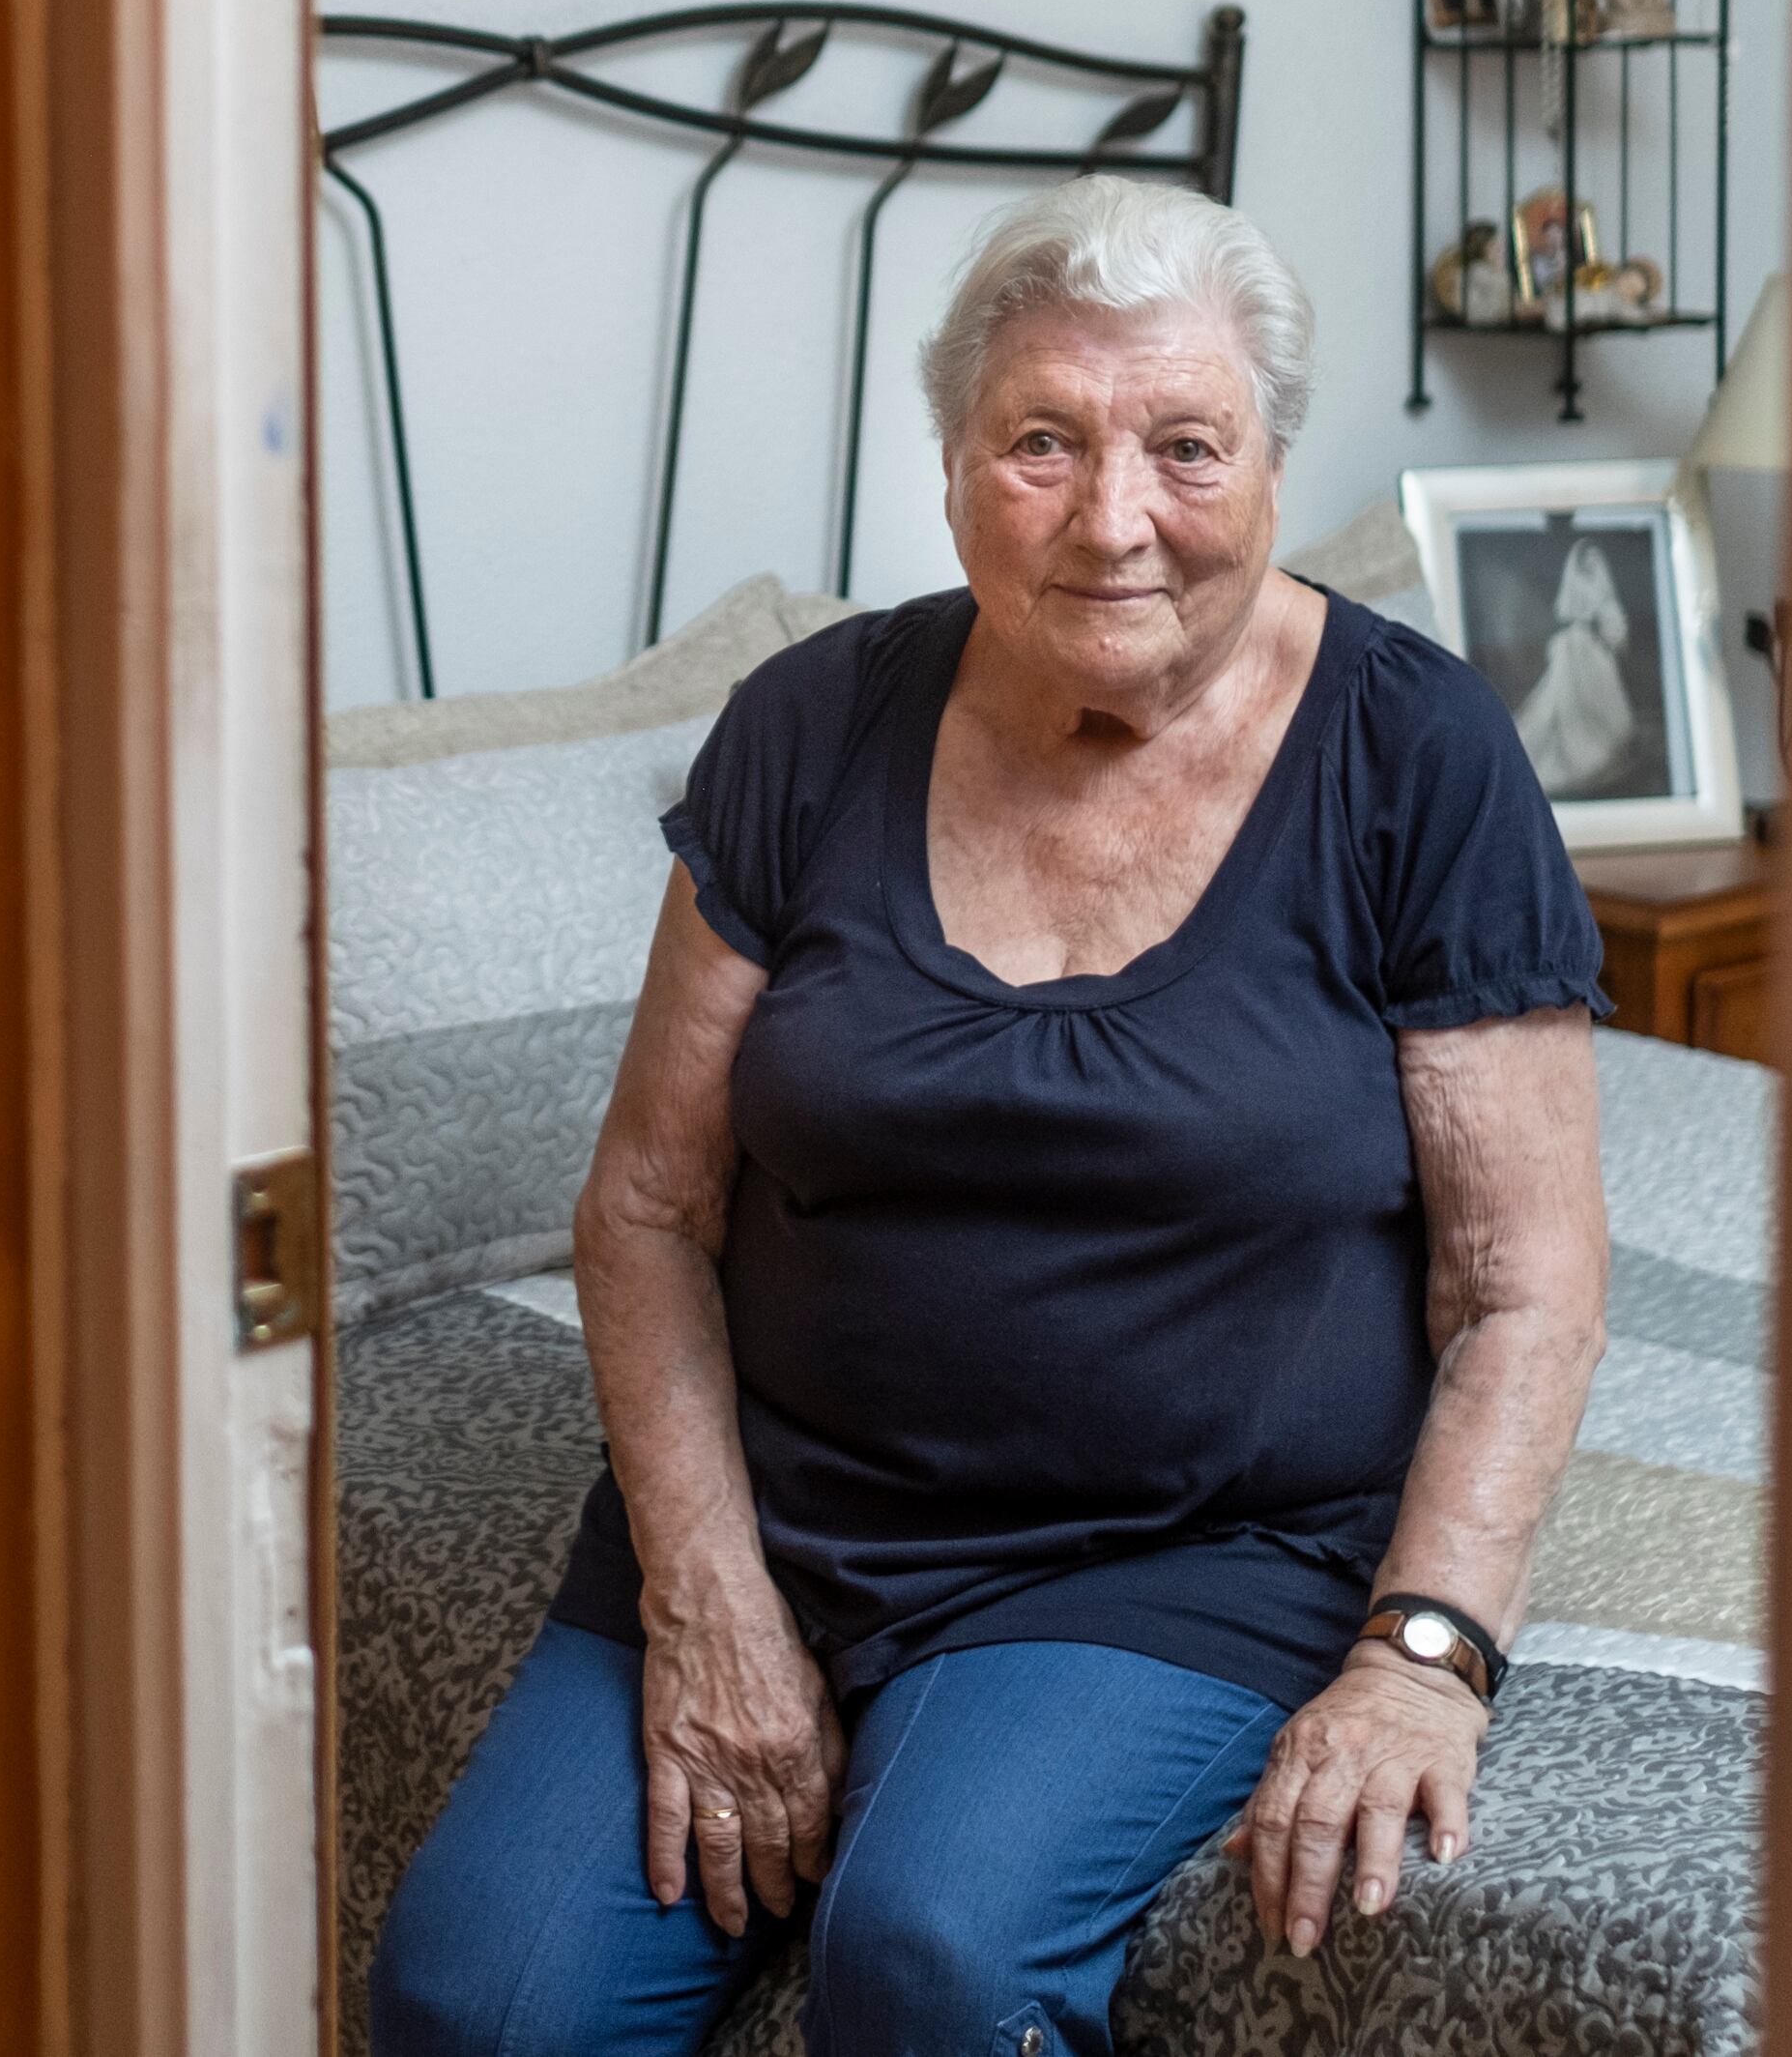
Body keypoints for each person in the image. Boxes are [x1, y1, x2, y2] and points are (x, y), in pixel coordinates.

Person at [369, 176, 1611, 2057]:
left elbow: (1525, 1278)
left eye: (1184, 444)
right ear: (951, 463)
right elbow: (640, 1205)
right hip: (777, 1511)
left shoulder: (1411, 751)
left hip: (1177, 1546)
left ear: (1272, 458)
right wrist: (710, 1597)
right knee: (475, 2002)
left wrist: (1426, 1647)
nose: (1116, 516)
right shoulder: (807, 726)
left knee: (930, 1960)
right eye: (1043, 439)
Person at [1509, 535, 1642, 795]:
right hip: (1579, 645)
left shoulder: (1602, 587)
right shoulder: (1578, 585)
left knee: (1603, 696)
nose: (1592, 563)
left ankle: (1607, 739)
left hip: (1594, 646)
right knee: (1567, 698)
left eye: (1595, 558)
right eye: (1587, 559)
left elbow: (1612, 623)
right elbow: (1571, 613)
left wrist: (1610, 633)